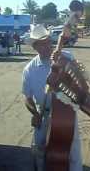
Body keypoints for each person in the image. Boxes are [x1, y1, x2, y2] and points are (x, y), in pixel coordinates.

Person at [22, 24, 83, 171]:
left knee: (72, 152)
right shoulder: (29, 69)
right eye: (42, 44)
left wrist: (65, 64)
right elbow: (27, 97)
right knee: (40, 151)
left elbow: (82, 82)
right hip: (43, 115)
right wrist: (35, 113)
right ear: (35, 47)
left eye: (48, 41)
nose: (47, 46)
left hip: (66, 113)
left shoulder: (66, 56)